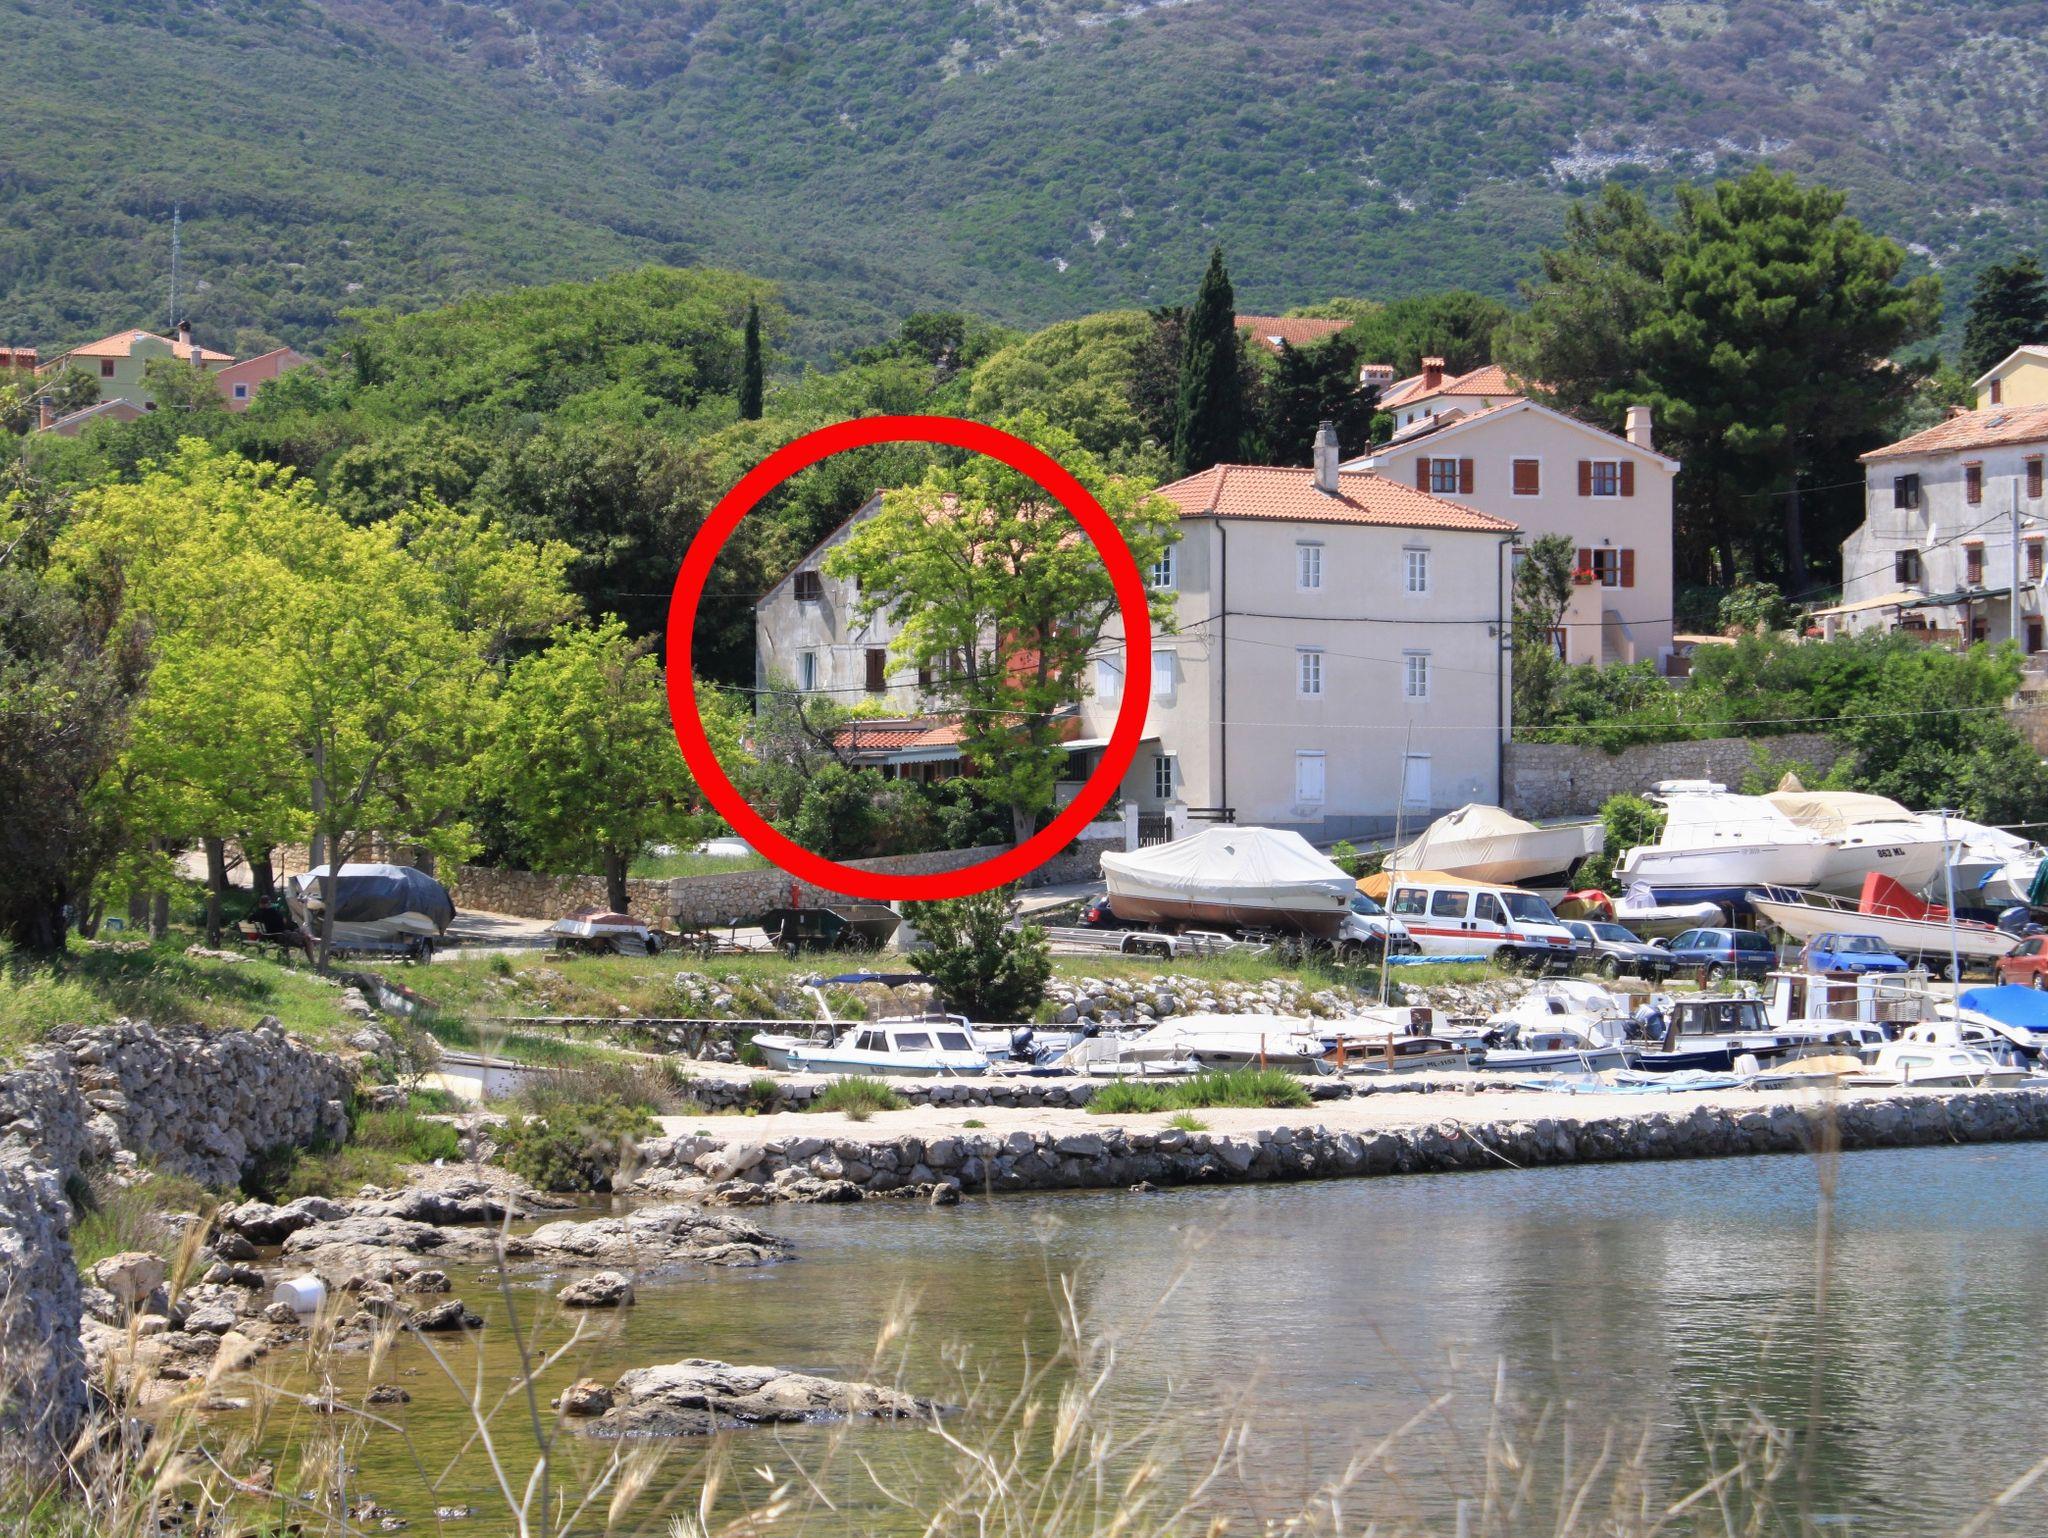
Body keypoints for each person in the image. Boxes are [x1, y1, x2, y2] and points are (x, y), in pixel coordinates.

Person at [251, 894, 315, 961]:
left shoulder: (257, 913)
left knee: (303, 935)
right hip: (280, 936)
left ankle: (309, 951)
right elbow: (283, 923)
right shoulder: (273, 912)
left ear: (260, 904)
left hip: (269, 936)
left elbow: (250, 920)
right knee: (307, 939)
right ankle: (312, 961)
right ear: (268, 903)